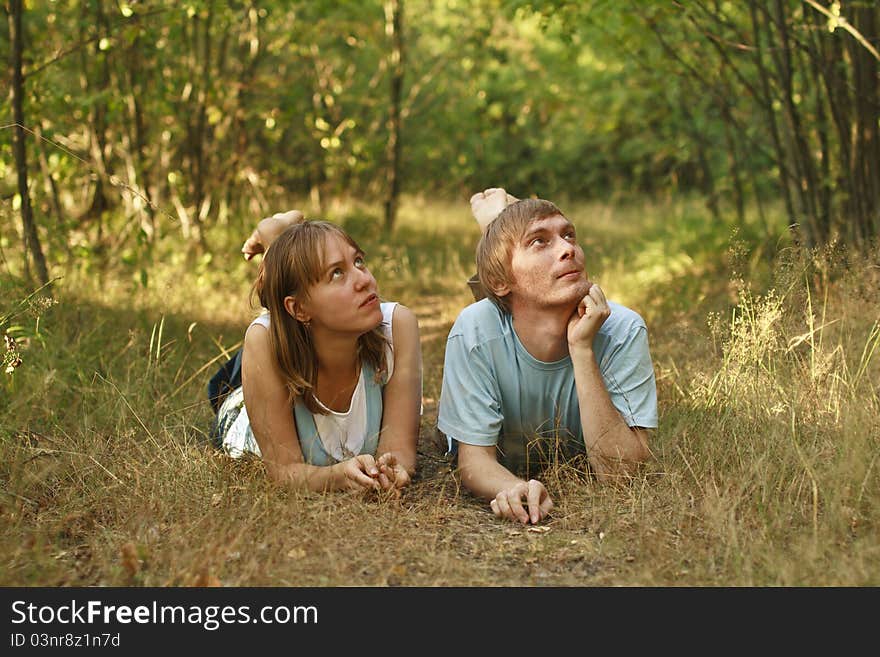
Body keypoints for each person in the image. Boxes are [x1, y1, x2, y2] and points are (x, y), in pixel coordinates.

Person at [437, 189, 657, 524]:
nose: (568, 248)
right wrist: (513, 486)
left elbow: (621, 476)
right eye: (540, 241)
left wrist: (582, 351)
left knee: (506, 278)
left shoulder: (623, 330)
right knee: (492, 310)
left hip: (510, 299)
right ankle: (495, 229)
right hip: (497, 310)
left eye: (569, 235)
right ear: (500, 281)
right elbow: (472, 461)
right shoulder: (473, 331)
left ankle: (503, 228)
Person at [210, 211, 422, 492]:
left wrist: (392, 471)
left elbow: (400, 451)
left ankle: (279, 242)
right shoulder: (263, 341)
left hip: (299, 326)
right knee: (273, 327)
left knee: (290, 298)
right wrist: (335, 478)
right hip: (243, 410)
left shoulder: (396, 326)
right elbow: (283, 471)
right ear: (298, 309)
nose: (364, 280)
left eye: (359, 261)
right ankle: (275, 240)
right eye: (337, 273)